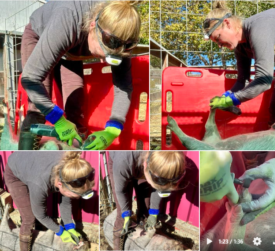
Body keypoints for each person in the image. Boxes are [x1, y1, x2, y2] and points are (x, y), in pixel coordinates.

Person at [19, 0, 141, 150]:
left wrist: (112, 130)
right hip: (41, 33)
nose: (104, 60)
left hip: (72, 48)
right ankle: (27, 151)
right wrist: (58, 120)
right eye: (103, 53)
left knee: (75, 105)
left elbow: (123, 86)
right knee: (38, 107)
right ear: (92, 27)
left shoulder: (121, 38)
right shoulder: (69, 18)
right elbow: (30, 79)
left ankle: (75, 154)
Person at [204, 2, 275, 146]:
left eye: (218, 38)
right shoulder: (240, 48)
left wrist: (234, 99)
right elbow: (242, 81)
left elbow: (264, 80)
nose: (219, 45)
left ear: (227, 23)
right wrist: (227, 96)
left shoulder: (259, 28)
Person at [4, 151, 96, 251]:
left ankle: (39, 233)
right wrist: (60, 231)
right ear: (60, 184)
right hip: (15, 170)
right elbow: (40, 215)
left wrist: (69, 227)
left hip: (34, 168)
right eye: (72, 195)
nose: (75, 198)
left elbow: (66, 202)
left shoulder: (69, 174)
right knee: (29, 217)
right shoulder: (40, 184)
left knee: (41, 204)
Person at [108, 151, 189, 250]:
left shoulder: (166, 165)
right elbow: (121, 191)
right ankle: (117, 248)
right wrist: (126, 215)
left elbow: (160, 186)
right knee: (121, 216)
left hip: (145, 165)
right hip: (123, 165)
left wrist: (154, 213)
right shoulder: (123, 161)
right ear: (146, 167)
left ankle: (140, 237)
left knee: (145, 208)